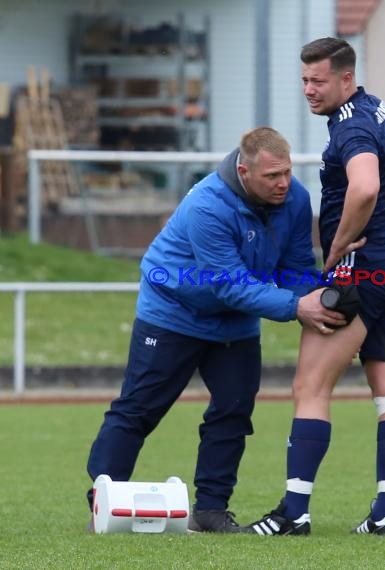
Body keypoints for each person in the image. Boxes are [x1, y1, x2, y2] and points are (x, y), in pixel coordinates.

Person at [85, 126, 352, 533]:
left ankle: (210, 510)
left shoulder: (296, 198)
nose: (284, 183)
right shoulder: (207, 206)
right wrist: (298, 307)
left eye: (286, 172)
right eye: (272, 176)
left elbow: (295, 268)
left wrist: (320, 296)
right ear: (244, 171)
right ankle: (103, 496)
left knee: (233, 410)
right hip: (173, 312)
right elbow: (229, 285)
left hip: (235, 323)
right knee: (138, 410)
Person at [247, 37, 385, 536]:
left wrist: (339, 246)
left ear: (345, 79)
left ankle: (294, 512)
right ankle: (384, 515)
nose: (308, 89)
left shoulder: (351, 124)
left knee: (310, 386)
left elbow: (366, 185)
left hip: (365, 267)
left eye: (318, 80)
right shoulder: (381, 109)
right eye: (304, 79)